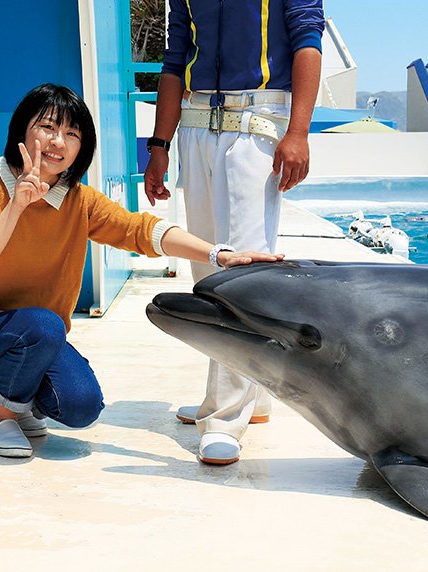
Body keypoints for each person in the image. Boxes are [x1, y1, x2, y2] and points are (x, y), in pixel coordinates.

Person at [0, 84, 282, 458]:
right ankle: (1, 418)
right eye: (47, 127)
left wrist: (218, 254)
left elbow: (143, 231)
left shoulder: (78, 200)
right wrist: (16, 207)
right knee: (44, 325)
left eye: (72, 134)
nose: (57, 141)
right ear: (22, 130)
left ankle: (19, 401)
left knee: (81, 405)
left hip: (34, 335)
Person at [143, 1, 324, 464]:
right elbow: (175, 60)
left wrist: (299, 131)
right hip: (196, 126)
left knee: (242, 274)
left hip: (257, 125)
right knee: (205, 271)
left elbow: (308, 39)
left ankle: (225, 417)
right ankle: (252, 397)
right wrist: (160, 145)